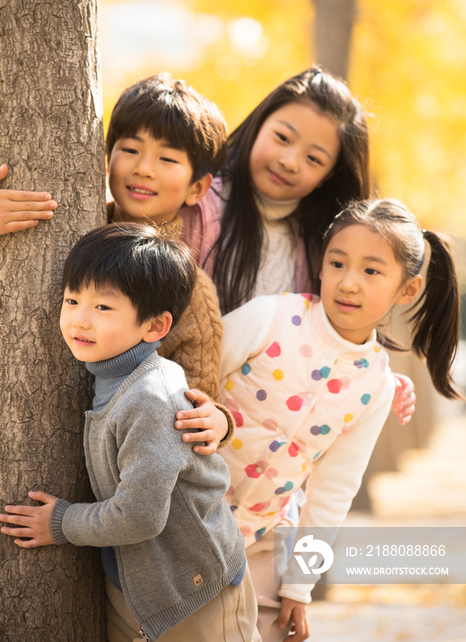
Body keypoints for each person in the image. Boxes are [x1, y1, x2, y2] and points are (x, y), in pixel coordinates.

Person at [0, 223, 261, 642]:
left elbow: (139, 516)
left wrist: (61, 523)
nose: (80, 319)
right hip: (138, 585)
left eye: (103, 308)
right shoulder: (112, 373)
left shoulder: (149, 397)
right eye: (72, 299)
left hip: (195, 590)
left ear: (155, 327)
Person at [217, 198, 462, 642]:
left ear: (406, 290)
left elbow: (333, 493)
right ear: (321, 266)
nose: (349, 282)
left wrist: (299, 585)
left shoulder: (376, 385)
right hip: (187, 518)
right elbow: (187, 379)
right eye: (338, 263)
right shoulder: (269, 318)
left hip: (265, 539)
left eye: (372, 271)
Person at [0, 73, 236, 453]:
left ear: (198, 187)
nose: (144, 168)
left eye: (168, 158)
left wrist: (219, 423)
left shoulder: (190, 287)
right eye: (130, 149)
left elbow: (198, 402)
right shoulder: (68, 221)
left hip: (114, 463)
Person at [179, 66, 415, 426]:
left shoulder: (322, 249)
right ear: (259, 124)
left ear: (328, 176)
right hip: (181, 412)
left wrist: (365, 377)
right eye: (283, 138)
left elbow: (323, 336)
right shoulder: (196, 204)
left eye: (314, 159)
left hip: (256, 441)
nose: (289, 161)